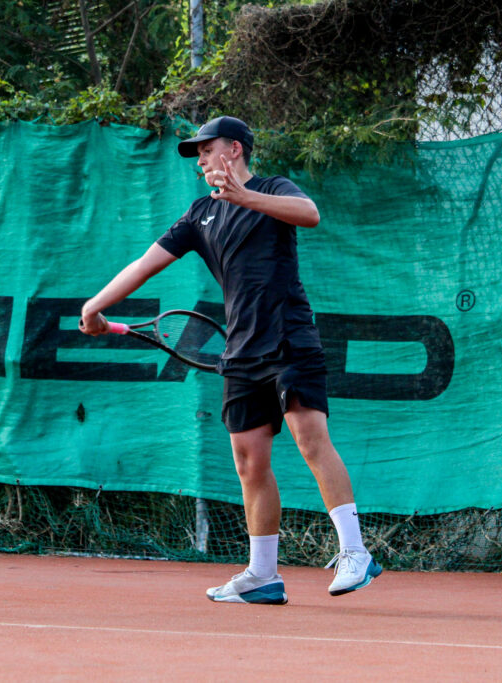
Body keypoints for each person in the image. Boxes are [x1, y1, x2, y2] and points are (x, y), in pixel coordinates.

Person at [80, 115, 380, 604]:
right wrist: (95, 306)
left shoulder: (273, 189)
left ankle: (355, 553)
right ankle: (263, 575)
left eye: (205, 149)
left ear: (235, 150)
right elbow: (144, 264)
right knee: (248, 461)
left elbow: (310, 214)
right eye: (195, 153)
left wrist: (244, 196)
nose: (199, 160)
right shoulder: (200, 214)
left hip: (289, 337)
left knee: (310, 438)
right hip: (241, 351)